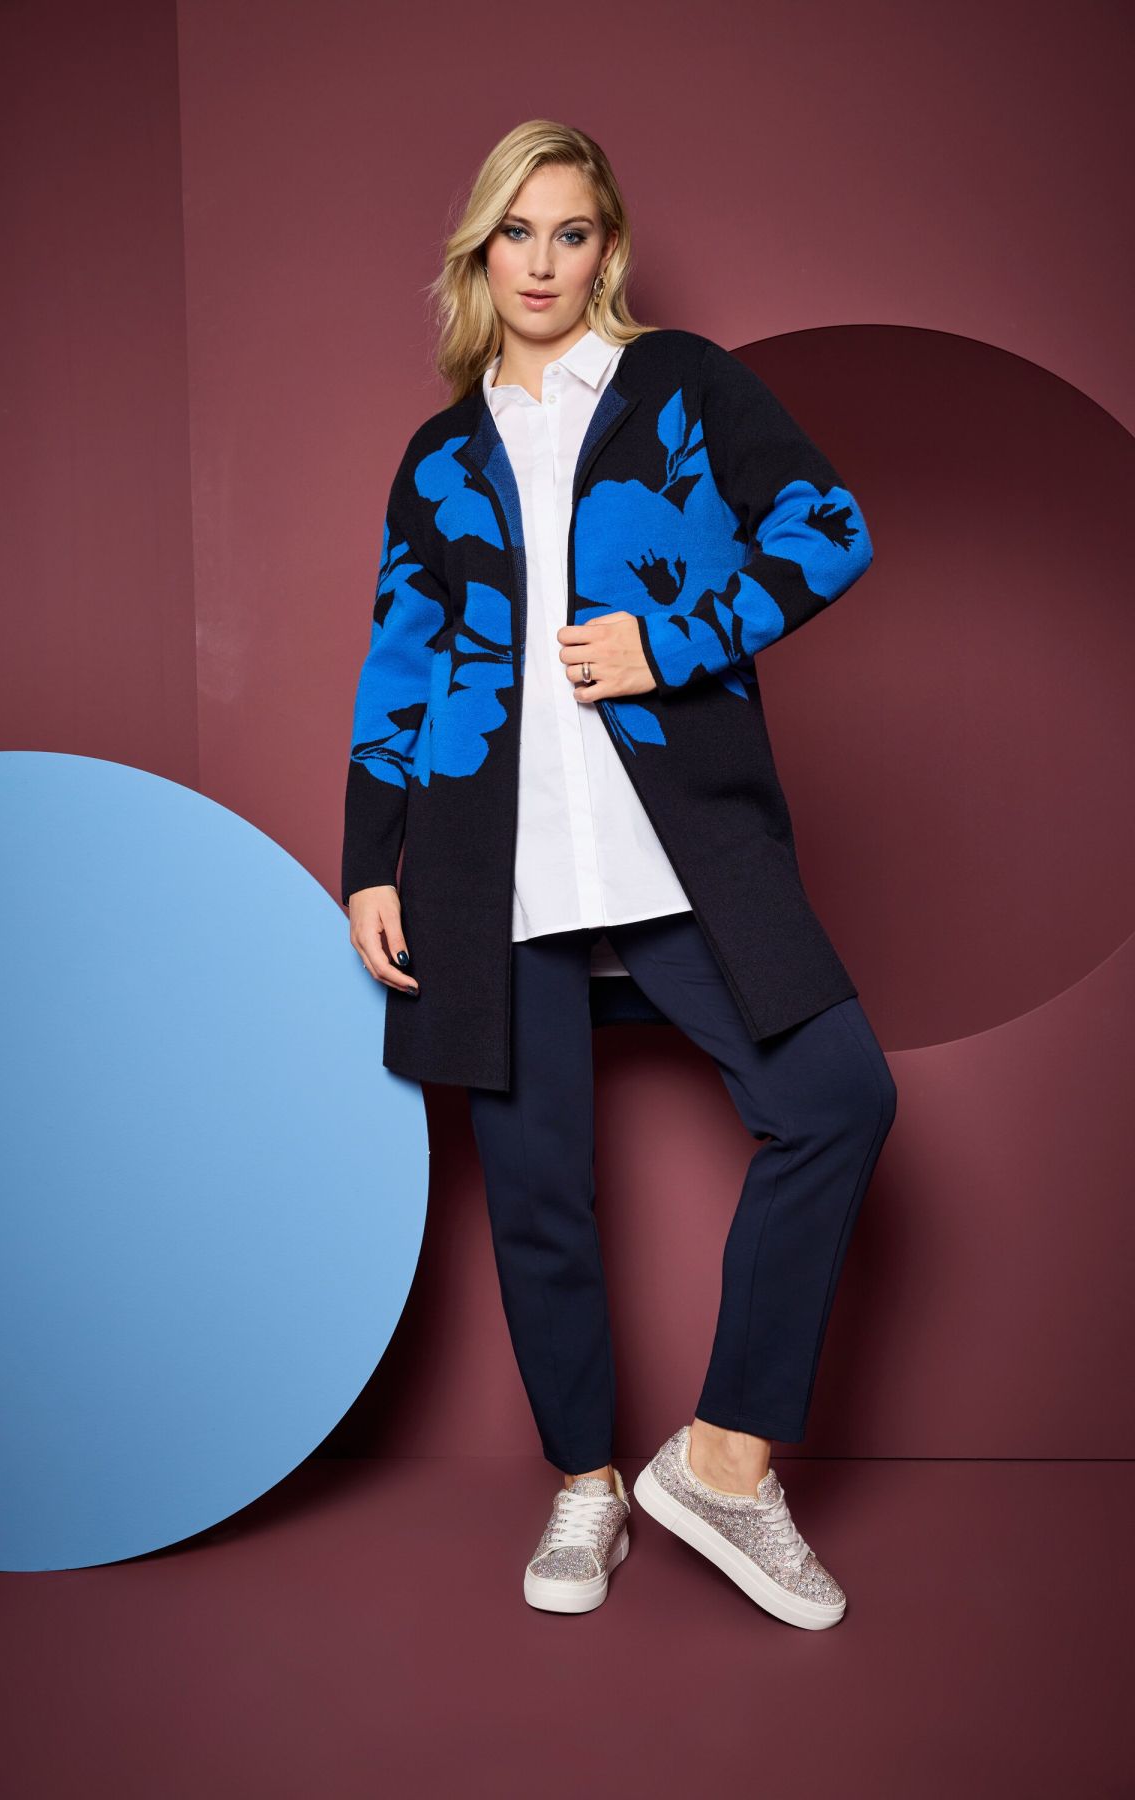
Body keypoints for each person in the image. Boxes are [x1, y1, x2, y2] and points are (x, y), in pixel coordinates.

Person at [341, 120, 898, 1630]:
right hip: (488, 871)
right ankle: (584, 1483)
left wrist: (674, 639)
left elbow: (829, 529)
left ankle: (720, 1464)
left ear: (608, 249)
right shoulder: (437, 457)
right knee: (539, 1195)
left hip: (681, 850)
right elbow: (403, 662)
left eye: (571, 232)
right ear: (480, 251)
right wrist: (371, 860)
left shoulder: (684, 385)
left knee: (837, 1100)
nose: (541, 262)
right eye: (515, 232)